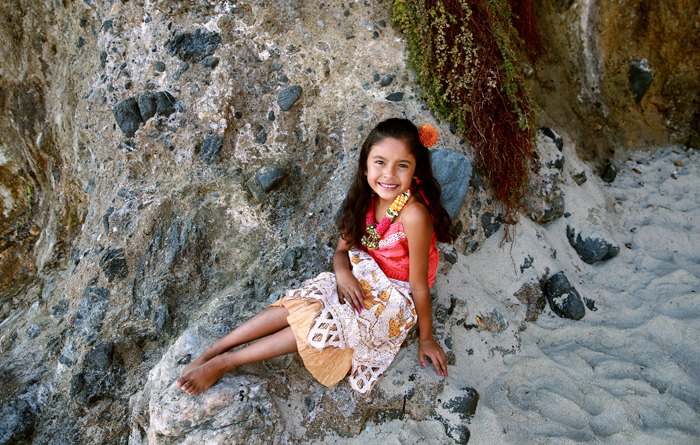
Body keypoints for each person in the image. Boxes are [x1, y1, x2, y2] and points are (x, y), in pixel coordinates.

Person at [176, 118, 456, 397]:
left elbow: (418, 284)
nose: (389, 174)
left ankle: (227, 361)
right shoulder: (365, 198)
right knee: (306, 300)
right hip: (363, 272)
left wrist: (426, 338)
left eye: (402, 165)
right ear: (365, 165)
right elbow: (341, 251)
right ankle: (217, 347)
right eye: (380, 162)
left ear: (415, 170)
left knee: (322, 325)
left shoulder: (413, 214)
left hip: (396, 293)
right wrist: (343, 273)